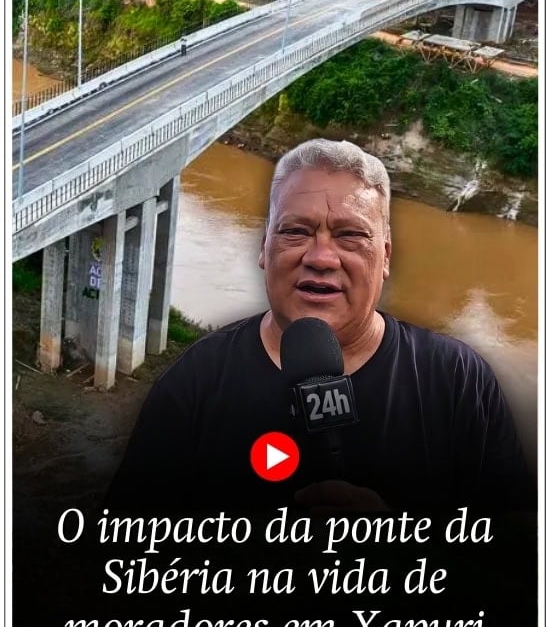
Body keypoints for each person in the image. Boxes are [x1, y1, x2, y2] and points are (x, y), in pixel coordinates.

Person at [107, 139, 533, 514]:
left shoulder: (457, 381)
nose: (321, 258)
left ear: (385, 256)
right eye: (296, 231)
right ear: (264, 247)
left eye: (350, 235)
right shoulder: (195, 382)